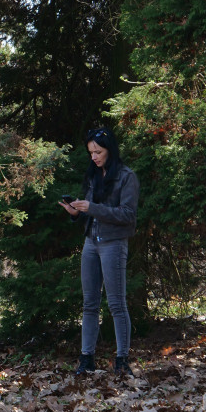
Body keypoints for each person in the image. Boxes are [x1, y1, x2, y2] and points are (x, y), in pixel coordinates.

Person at [60, 126, 139, 377]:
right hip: (91, 243)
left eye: (98, 152)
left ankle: (122, 360)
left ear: (110, 150)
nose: (94, 157)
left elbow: (127, 216)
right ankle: (86, 359)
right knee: (90, 304)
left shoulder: (127, 177)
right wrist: (77, 212)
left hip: (113, 244)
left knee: (116, 304)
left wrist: (91, 207)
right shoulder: (95, 176)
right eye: (91, 152)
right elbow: (91, 212)